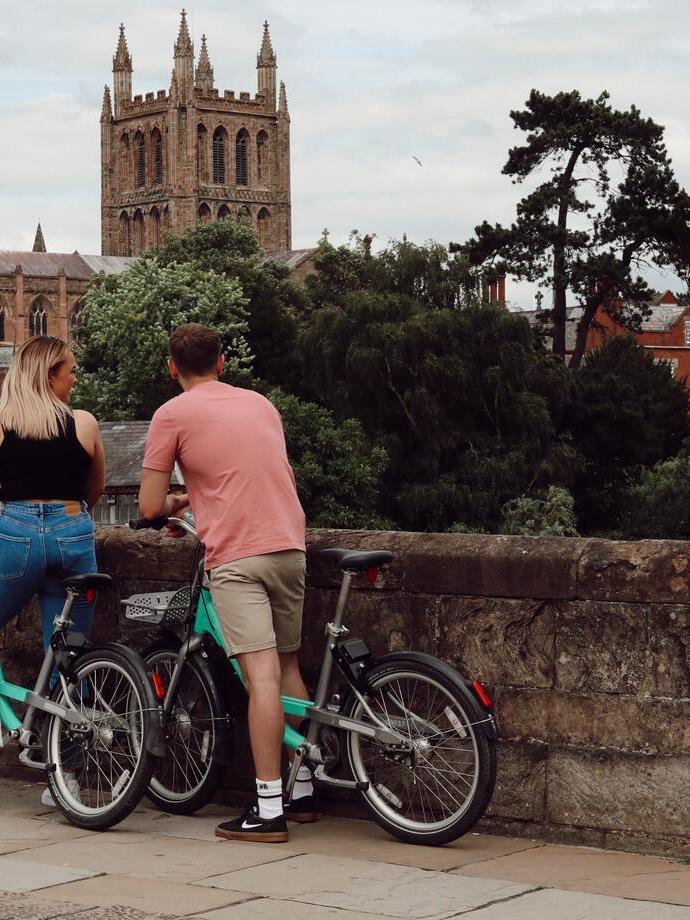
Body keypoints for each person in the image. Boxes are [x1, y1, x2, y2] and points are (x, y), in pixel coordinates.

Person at [139, 322, 314, 843]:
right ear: (222, 362)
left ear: (173, 368)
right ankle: (301, 789)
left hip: (238, 556)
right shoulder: (261, 404)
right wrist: (203, 493)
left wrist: (176, 500)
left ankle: (267, 809)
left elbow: (148, 505)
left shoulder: (171, 414)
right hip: (289, 543)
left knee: (259, 678)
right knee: (287, 666)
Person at [0, 335, 106, 805]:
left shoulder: (2, 422)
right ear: (49, 375)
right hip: (73, 533)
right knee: (69, 657)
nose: (75, 379)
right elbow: (94, 490)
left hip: (16, 533)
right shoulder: (83, 423)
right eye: (70, 372)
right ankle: (66, 779)